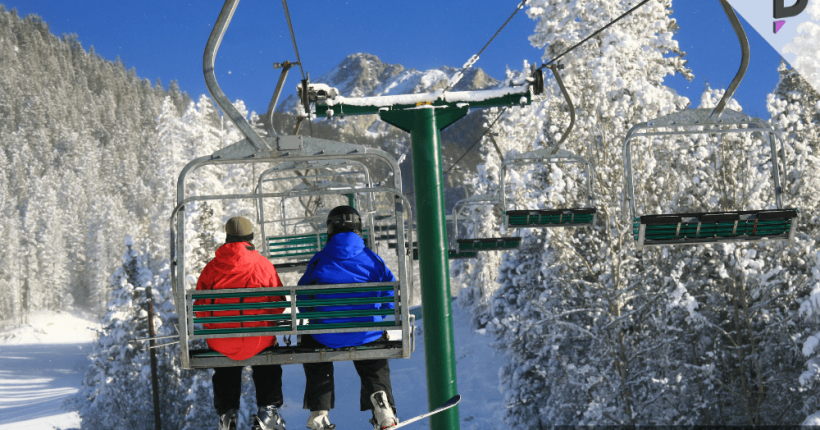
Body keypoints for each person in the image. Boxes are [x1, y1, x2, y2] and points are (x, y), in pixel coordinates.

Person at [298, 206, 400, 430]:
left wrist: (315, 319)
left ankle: (319, 411)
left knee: (313, 346)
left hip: (326, 337)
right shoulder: (373, 259)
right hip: (366, 333)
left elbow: (302, 298)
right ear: (359, 230)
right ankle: (381, 403)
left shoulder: (319, 260)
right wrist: (379, 318)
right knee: (373, 356)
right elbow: (391, 295)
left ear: (330, 230)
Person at [195, 216, 288, 430]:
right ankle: (268, 409)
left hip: (223, 341)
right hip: (259, 340)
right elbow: (279, 303)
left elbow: (199, 307)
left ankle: (227, 413)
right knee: (267, 357)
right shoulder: (263, 265)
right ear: (251, 238)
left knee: (225, 357)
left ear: (227, 238)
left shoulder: (212, 268)